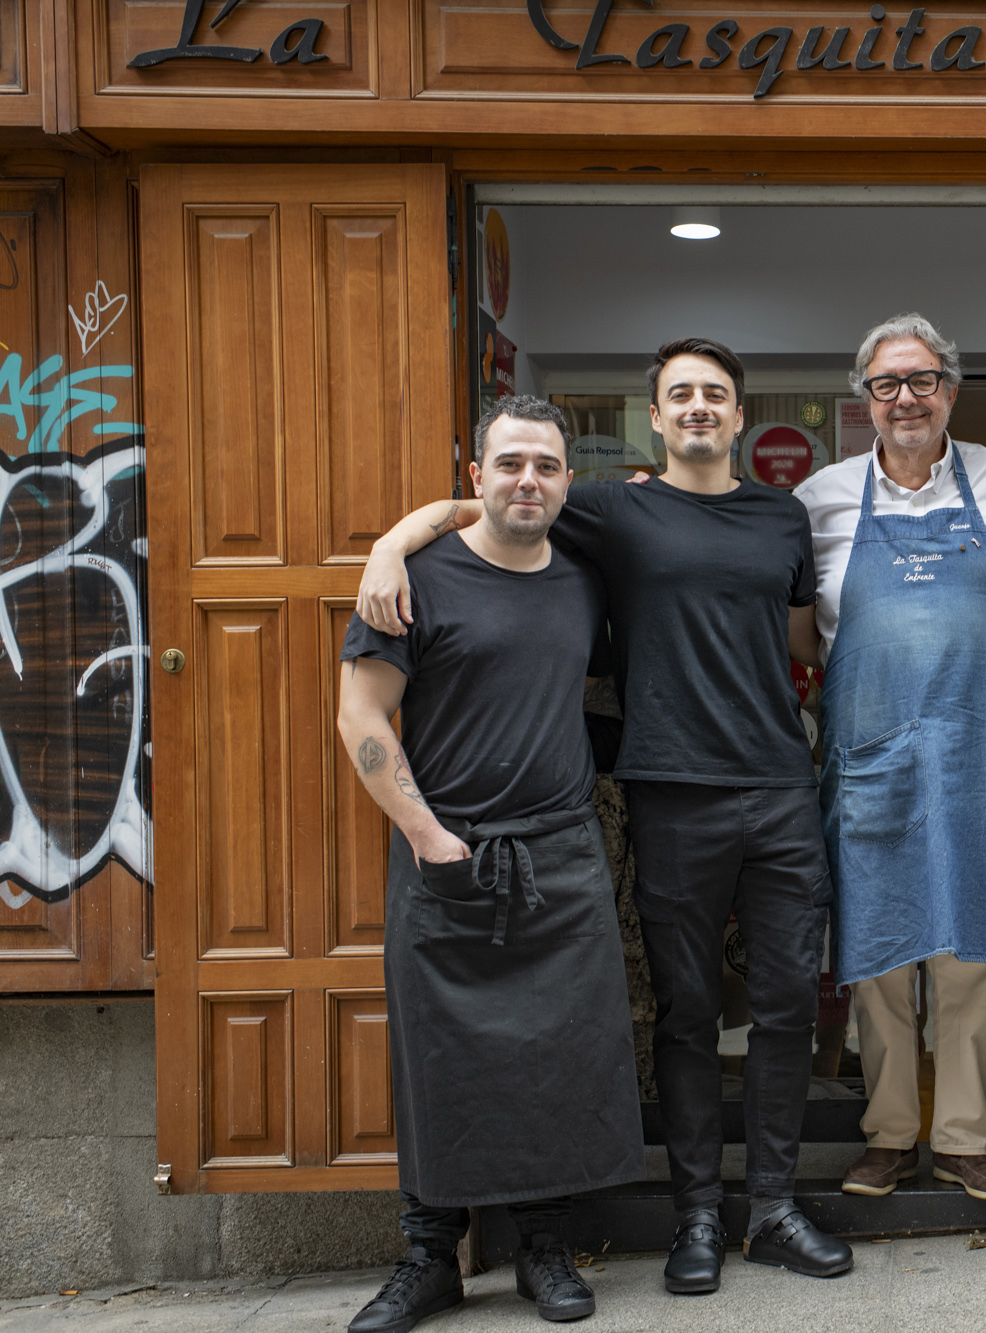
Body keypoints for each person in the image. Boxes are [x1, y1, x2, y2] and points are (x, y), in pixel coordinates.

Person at [356, 341, 852, 1297]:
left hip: (782, 788)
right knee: (689, 1010)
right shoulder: (611, 507)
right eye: (680, 395)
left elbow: (798, 638)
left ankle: (778, 1208)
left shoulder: (782, 516)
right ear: (656, 419)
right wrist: (389, 542)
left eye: (715, 393)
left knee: (789, 1003)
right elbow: (491, 507)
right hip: (670, 790)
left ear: (739, 415)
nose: (699, 407)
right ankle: (699, 1215)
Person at [337, 396, 643, 1333]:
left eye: (546, 466)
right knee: (439, 1061)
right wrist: (429, 837)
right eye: (509, 463)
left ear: (565, 479)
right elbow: (360, 718)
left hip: (558, 849)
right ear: (475, 475)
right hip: (447, 852)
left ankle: (544, 1252)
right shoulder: (415, 579)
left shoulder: (585, 580)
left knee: (558, 1056)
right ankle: (429, 1258)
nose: (528, 481)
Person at [792, 313, 986, 1203]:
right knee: (876, 947)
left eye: (923, 379)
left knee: (977, 950)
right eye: (887, 384)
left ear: (952, 388)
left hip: (977, 752)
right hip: (867, 757)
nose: (906, 398)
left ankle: (966, 1136)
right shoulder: (821, 500)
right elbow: (800, 630)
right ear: (865, 398)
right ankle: (889, 1134)